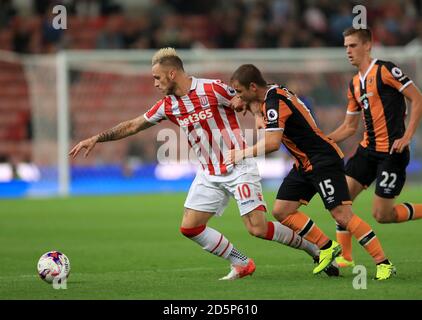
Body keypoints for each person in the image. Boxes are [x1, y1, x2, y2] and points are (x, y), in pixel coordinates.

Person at [69, 47, 335, 280]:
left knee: (256, 227)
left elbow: (250, 97)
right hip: (209, 172)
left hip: (238, 165)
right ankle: (241, 262)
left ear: (172, 74)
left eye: (157, 78)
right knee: (190, 227)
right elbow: (133, 125)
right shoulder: (168, 106)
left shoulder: (212, 88)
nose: (155, 83)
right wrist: (97, 138)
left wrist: (253, 113)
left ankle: (314, 248)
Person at [226, 63, 395, 280]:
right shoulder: (273, 92)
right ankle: (326, 246)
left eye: (239, 92)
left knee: (342, 215)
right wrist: (248, 105)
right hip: (304, 163)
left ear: (252, 86)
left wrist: (242, 153)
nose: (237, 97)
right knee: (282, 210)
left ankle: (384, 263)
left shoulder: (274, 101)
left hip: (322, 160)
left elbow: (272, 143)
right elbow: (262, 109)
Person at [327, 27, 422, 268]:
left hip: (393, 152)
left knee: (383, 215)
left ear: (367, 46)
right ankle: (346, 257)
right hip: (367, 151)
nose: (348, 51)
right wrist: (322, 140)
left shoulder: (386, 70)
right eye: (346, 46)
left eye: (353, 45)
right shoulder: (354, 84)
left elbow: (417, 97)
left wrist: (408, 135)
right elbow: (349, 126)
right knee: (340, 200)